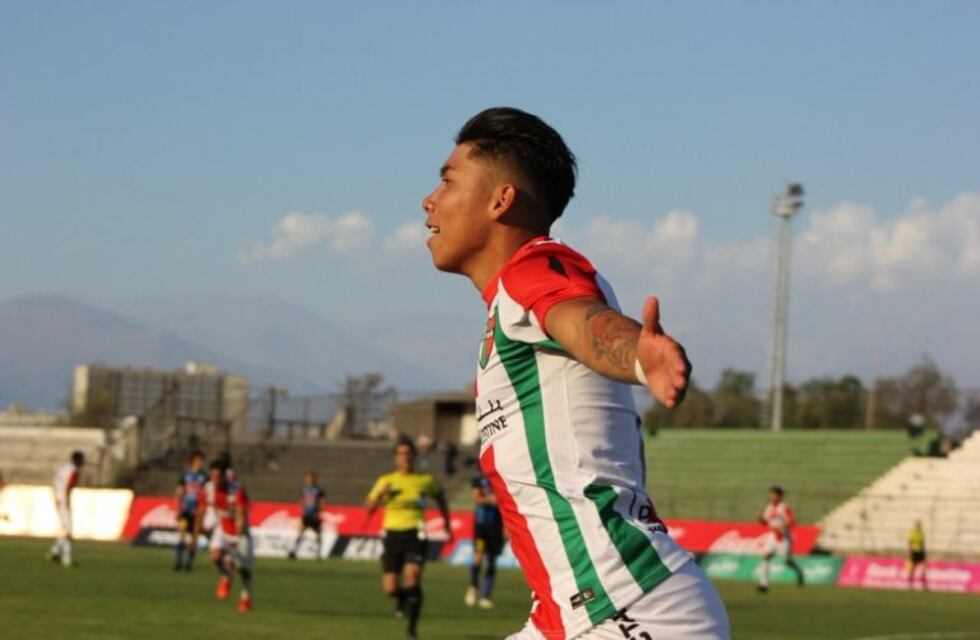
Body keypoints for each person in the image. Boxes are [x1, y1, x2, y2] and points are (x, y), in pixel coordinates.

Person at [421, 106, 729, 639]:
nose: (429, 200)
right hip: (571, 616)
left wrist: (637, 353)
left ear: (501, 200)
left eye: (447, 180)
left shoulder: (532, 270)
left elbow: (582, 320)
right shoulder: (508, 305)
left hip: (632, 611)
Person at [365, 439, 454, 639]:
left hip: (416, 535)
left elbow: (441, 499)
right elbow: (369, 509)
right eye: (401, 453)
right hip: (392, 536)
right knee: (390, 588)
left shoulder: (425, 480)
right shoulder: (385, 480)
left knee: (413, 576)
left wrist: (447, 524)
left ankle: (412, 629)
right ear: (396, 457)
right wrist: (381, 494)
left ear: (414, 456)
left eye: (408, 453)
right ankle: (403, 599)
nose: (405, 457)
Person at [194, 459, 254, 613]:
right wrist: (199, 530)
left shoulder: (236, 490)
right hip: (223, 527)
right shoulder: (208, 489)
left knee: (244, 570)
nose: (215, 479)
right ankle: (226, 576)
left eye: (218, 476)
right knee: (214, 556)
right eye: (212, 476)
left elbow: (241, 515)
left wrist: (238, 538)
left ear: (224, 476)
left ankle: (245, 596)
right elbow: (201, 510)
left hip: (241, 532)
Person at [466, 472, 504, 609]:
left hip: (496, 527)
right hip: (481, 527)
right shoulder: (479, 479)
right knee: (478, 557)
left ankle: (486, 595)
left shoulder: (502, 477)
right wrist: (493, 499)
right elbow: (476, 499)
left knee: (492, 561)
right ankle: (473, 586)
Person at [757, 486, 805, 592]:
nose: (772, 497)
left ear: (780, 496)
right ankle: (763, 584)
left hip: (784, 538)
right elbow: (765, 521)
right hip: (772, 536)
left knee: (787, 561)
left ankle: (799, 572)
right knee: (766, 556)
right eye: (771, 495)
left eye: (774, 495)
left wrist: (782, 528)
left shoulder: (785, 507)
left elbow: (792, 522)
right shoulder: (769, 507)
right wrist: (760, 519)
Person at [47, 451, 84, 567]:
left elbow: (56, 482)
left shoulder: (63, 468)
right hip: (63, 500)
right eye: (82, 460)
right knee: (68, 529)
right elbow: (68, 486)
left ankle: (55, 551)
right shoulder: (73, 470)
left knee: (64, 528)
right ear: (77, 460)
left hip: (58, 498)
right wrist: (67, 501)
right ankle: (67, 559)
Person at [173, 449, 207, 571]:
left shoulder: (205, 476)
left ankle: (189, 562)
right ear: (192, 461)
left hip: (197, 511)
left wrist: (203, 510)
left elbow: (207, 494)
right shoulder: (185, 474)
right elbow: (179, 491)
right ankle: (178, 561)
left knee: (194, 537)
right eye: (197, 461)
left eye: (201, 461)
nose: (199, 463)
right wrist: (177, 507)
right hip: (185, 509)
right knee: (182, 534)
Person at [288, 471, 326, 560]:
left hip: (315, 516)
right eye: (308, 478)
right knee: (300, 534)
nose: (310, 480)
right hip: (306, 516)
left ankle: (318, 554)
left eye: (312, 478)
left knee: (319, 535)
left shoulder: (319, 490)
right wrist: (302, 508)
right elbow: (301, 500)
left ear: (315, 479)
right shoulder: (304, 490)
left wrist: (320, 510)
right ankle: (294, 552)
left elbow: (323, 501)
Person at [906, 520, 928, 590]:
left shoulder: (922, 532)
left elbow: (923, 543)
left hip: (921, 552)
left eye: (919, 525)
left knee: (923, 569)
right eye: (916, 525)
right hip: (914, 552)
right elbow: (910, 542)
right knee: (912, 569)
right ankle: (910, 585)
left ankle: (924, 585)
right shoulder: (912, 532)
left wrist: (924, 551)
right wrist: (910, 551)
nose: (917, 526)